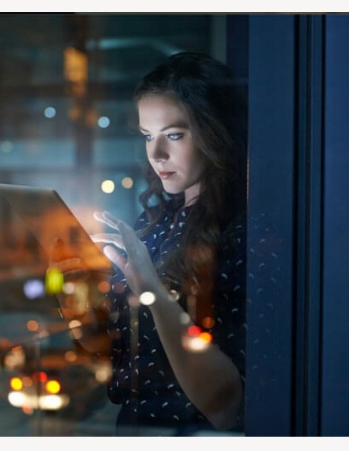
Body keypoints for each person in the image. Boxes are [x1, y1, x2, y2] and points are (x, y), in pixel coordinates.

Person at [51, 51, 247, 436]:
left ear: (214, 132)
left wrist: (149, 289)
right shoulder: (153, 223)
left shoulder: (244, 234)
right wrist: (72, 300)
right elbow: (117, 355)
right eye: (147, 136)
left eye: (174, 135)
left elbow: (228, 409)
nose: (156, 155)